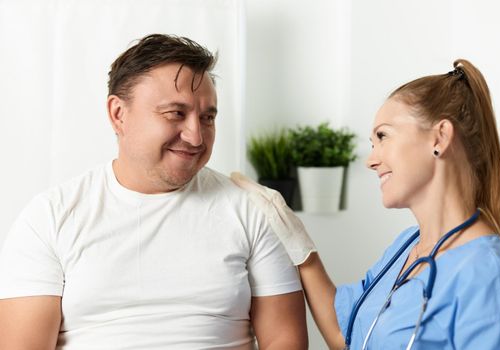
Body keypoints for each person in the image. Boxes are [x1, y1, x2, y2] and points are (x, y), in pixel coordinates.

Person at [0, 34, 307, 350]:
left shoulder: (251, 209)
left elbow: (284, 340)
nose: (196, 136)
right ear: (119, 114)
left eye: (207, 117)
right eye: (176, 113)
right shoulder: (50, 216)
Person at [232, 59, 500, 349]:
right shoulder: (406, 248)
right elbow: (345, 335)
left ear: (440, 137)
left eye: (383, 136)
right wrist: (301, 247)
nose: (371, 160)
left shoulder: (488, 276)